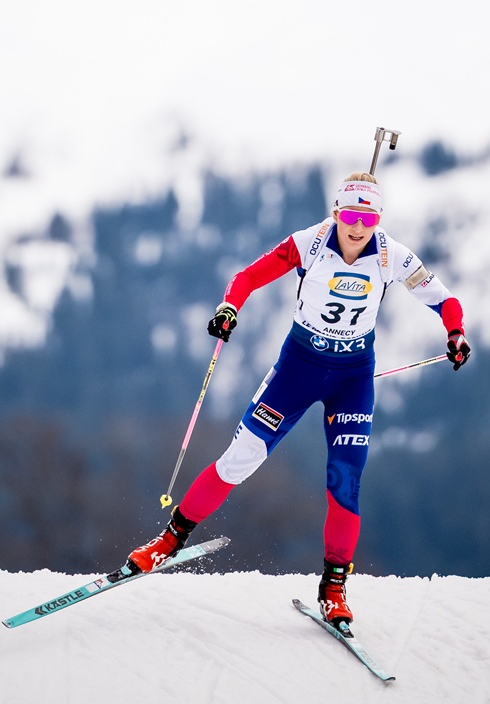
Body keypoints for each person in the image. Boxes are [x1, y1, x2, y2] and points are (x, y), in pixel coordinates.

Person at [124, 172, 470, 628]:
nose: (357, 225)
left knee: (345, 481)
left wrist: (455, 332)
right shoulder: (309, 243)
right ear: (335, 212)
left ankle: (334, 587)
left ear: (378, 218)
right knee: (240, 460)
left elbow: (443, 300)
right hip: (297, 370)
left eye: (367, 216)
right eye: (349, 214)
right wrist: (229, 307)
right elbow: (247, 277)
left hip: (351, 378)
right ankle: (169, 541)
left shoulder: (392, 255)